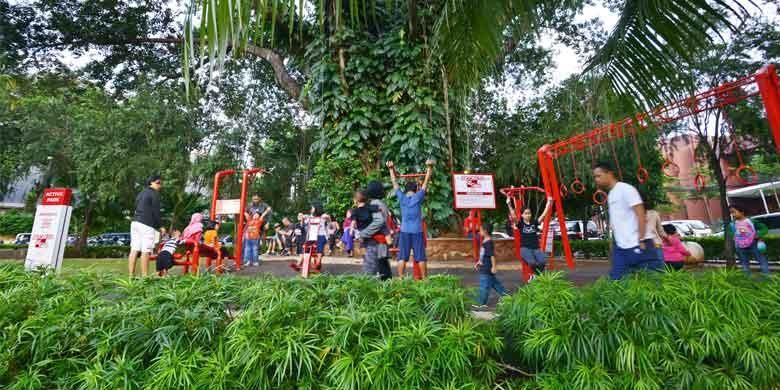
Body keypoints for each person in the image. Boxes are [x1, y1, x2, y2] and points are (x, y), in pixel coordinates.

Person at [592, 161, 658, 280]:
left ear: (610, 174)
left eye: (598, 176)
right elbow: (618, 222)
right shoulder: (611, 194)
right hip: (622, 248)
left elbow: (641, 215)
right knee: (616, 283)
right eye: (595, 177)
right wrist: (614, 243)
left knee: (652, 283)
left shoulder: (626, 189)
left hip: (639, 244)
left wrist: (642, 239)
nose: (596, 180)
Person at [387, 159, 434, 279]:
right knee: (420, 257)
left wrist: (391, 169)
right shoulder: (418, 196)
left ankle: (401, 278)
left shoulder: (402, 197)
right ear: (415, 189)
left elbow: (394, 182)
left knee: (402, 256)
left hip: (405, 231)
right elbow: (426, 181)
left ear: (406, 189)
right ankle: (424, 279)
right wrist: (429, 167)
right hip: (417, 231)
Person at [507, 196, 553, 278]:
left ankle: (535, 275)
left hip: (536, 248)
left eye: (529, 213)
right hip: (525, 248)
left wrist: (548, 204)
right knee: (532, 263)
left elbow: (543, 215)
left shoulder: (534, 222)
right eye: (526, 213)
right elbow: (514, 217)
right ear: (522, 215)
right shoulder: (520, 224)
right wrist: (509, 204)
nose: (528, 215)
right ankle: (537, 275)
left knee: (543, 261)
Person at [354, 187, 393, 280]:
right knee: (383, 267)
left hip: (376, 240)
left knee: (371, 270)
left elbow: (379, 221)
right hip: (381, 240)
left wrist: (363, 233)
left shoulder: (374, 204)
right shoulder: (381, 203)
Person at [128, 175, 162, 277]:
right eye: (158, 182)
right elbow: (156, 212)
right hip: (146, 224)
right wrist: (160, 226)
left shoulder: (141, 193)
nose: (160, 185)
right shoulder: (154, 194)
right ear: (151, 183)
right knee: (145, 250)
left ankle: (130, 276)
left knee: (134, 249)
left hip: (135, 223)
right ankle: (144, 276)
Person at [473, 222, 508, 309]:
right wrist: (479, 262)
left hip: (486, 268)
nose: (479, 232)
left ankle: (481, 303)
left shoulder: (488, 242)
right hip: (485, 266)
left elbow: (492, 255)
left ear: (485, 231)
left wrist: (493, 266)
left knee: (483, 286)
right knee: (495, 284)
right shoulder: (486, 241)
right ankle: (507, 297)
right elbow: (484, 254)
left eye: (480, 230)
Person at [730, 204, 770, 275]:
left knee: (761, 259)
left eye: (734, 212)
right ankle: (748, 278)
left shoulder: (751, 221)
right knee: (744, 262)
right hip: (740, 246)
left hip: (753, 243)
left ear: (742, 212)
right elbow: (732, 233)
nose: (732, 214)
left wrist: (758, 235)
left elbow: (764, 228)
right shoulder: (733, 224)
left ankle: (767, 276)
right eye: (731, 213)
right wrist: (735, 239)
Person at [291, 203, 326, 272]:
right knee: (306, 248)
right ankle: (299, 264)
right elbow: (304, 222)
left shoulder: (323, 217)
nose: (311, 209)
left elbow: (327, 219)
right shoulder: (309, 217)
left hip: (320, 235)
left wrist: (326, 217)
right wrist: (303, 218)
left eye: (312, 208)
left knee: (319, 245)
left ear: (316, 209)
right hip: (311, 236)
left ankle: (318, 262)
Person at [642, 197, 667, 265]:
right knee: (659, 267)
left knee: (644, 268)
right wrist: (667, 238)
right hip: (655, 242)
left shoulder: (632, 214)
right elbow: (660, 230)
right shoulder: (654, 213)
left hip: (640, 245)